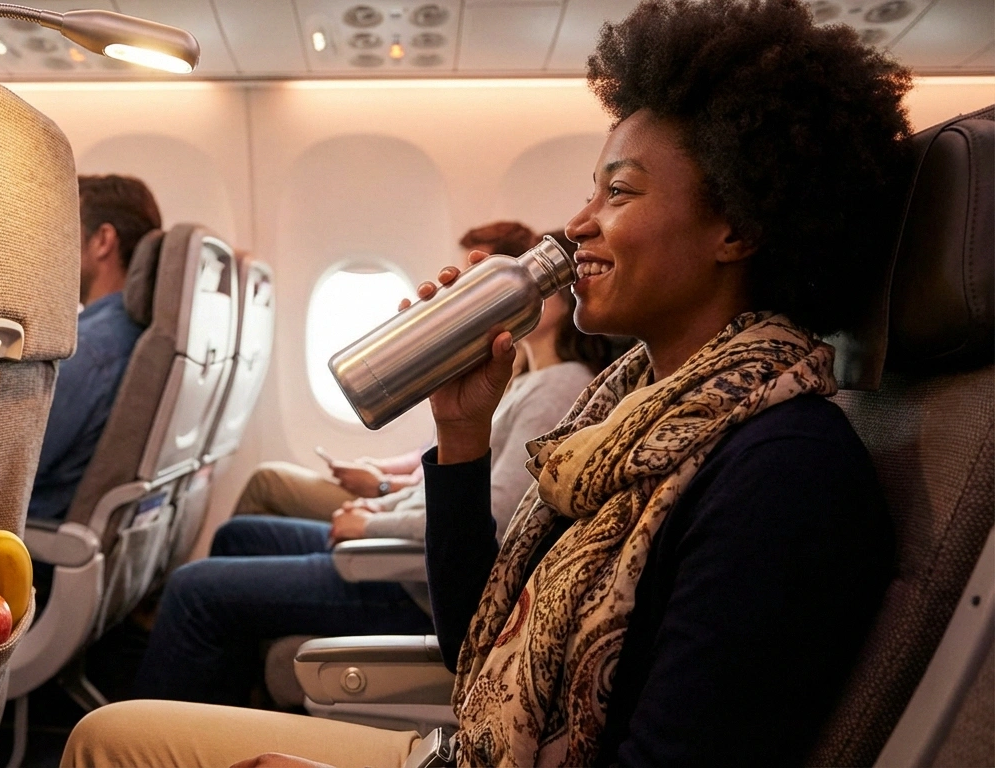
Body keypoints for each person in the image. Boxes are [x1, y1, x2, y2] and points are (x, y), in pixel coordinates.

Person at [62, 0, 909, 765]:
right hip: (475, 747)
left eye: (618, 192)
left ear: (739, 227)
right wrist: (461, 433)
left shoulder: (782, 473)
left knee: (115, 740)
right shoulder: (622, 416)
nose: (579, 224)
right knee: (114, 732)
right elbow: (477, 642)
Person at [128, 229, 610, 705]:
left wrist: (371, 519)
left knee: (193, 589)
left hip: (410, 582)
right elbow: (434, 483)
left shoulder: (559, 387)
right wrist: (384, 491)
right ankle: (226, 703)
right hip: (409, 555)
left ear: (555, 300)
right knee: (238, 537)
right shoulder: (528, 379)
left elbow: (498, 514)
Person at [232, 223, 547, 523]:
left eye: (478, 280)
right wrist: (379, 470)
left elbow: (486, 500)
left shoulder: (526, 379)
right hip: (401, 505)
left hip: (399, 515)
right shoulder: (500, 369)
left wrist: (379, 488)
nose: (463, 285)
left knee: (264, 489)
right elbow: (430, 455)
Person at [27, 175, 162, 522]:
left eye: (64, 234)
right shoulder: (135, 333)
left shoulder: (88, 350)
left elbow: (15, 468)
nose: (54, 251)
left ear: (102, 241)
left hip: (34, 539)